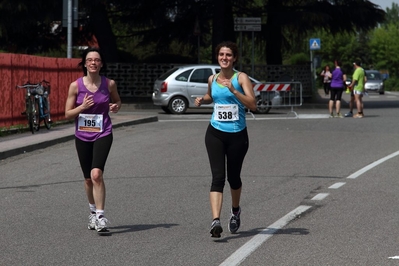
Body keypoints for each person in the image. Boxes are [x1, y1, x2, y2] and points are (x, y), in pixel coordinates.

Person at [194, 41, 256, 238]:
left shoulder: (241, 78)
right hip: (215, 133)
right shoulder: (213, 78)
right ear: (217, 57)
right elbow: (211, 96)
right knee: (217, 178)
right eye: (221, 54)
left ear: (234, 58)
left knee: (234, 178)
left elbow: (253, 104)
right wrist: (202, 100)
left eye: (228, 55)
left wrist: (235, 91)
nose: (224, 58)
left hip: (238, 136)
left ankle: (235, 210)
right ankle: (215, 221)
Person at [65, 47, 121, 232]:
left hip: (103, 132)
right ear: (85, 63)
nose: (93, 63)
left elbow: (118, 102)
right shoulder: (75, 86)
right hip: (82, 135)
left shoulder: (109, 84)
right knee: (88, 178)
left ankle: (100, 216)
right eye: (90, 60)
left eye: (97, 60)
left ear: (101, 64)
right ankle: (91, 212)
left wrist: (115, 106)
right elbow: (67, 114)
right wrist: (81, 107)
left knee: (97, 174)